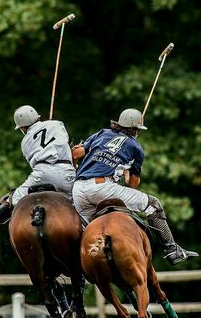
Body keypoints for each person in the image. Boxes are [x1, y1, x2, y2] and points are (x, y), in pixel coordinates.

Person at [71, 108, 199, 266]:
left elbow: (76, 154)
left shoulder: (102, 133)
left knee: (88, 235)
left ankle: (79, 265)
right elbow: (133, 184)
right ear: (136, 130)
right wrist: (125, 174)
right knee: (153, 205)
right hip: (102, 188)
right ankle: (172, 250)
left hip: (78, 189)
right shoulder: (135, 147)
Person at [0, 105, 76, 243]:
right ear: (38, 117)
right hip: (68, 174)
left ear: (22, 128)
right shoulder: (57, 124)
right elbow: (67, 143)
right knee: (83, 204)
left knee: (11, 200)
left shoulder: (25, 142)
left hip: (42, 175)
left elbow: (34, 162)